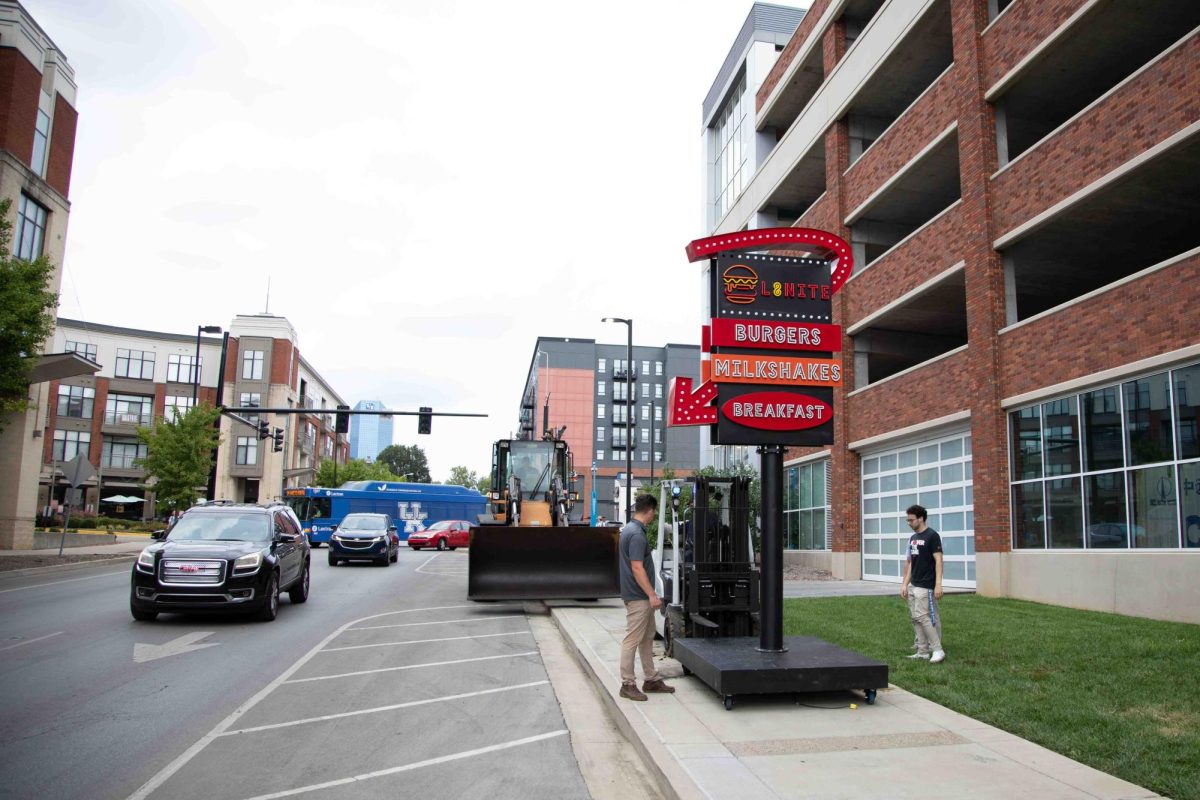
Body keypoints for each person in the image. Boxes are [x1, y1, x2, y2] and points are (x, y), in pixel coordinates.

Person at [618, 493, 673, 700]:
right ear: (650, 511)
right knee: (632, 639)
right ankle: (627, 684)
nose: (654, 516)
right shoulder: (637, 535)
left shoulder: (629, 529)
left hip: (638, 595)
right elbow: (637, 567)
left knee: (647, 636)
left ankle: (651, 679)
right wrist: (652, 594)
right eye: (654, 512)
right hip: (639, 597)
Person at [900, 504, 945, 664]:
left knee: (923, 617)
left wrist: (938, 584)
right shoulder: (913, 539)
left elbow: (938, 560)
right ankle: (922, 650)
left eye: (911, 520)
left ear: (920, 518)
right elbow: (912, 562)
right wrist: (905, 583)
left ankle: (938, 649)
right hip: (914, 584)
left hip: (926, 584)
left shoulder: (932, 536)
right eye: (907, 520)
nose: (909, 523)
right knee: (915, 618)